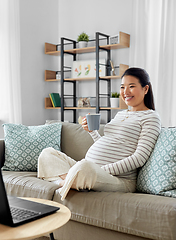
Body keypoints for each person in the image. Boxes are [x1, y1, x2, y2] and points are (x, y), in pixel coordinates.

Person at [37, 67, 161, 200]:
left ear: (145, 89)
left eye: (131, 86)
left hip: (120, 180)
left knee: (84, 167)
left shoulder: (151, 118)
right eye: (122, 87)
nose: (125, 92)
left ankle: (61, 181)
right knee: (47, 153)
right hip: (93, 170)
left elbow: (139, 158)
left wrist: (101, 170)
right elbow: (107, 142)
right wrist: (92, 132)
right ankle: (70, 181)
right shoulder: (120, 114)